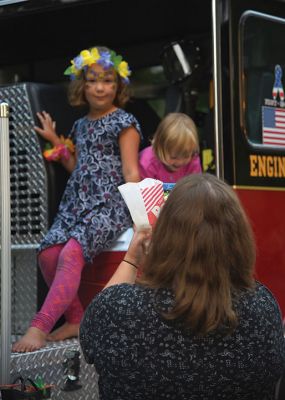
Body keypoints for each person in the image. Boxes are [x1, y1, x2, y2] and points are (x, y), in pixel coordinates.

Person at [80, 173, 285, 400]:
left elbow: (91, 334)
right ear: (239, 239)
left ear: (164, 237)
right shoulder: (264, 307)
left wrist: (131, 259)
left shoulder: (117, 309)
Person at [12, 46, 142, 353]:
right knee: (48, 252)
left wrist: (140, 220)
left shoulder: (124, 121)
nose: (99, 87)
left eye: (108, 80)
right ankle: (76, 319)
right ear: (82, 85)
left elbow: (130, 171)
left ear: (118, 86)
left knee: (72, 253)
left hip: (110, 205)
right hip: (76, 203)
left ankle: (39, 326)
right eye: (93, 79)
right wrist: (57, 143)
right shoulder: (81, 125)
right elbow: (79, 166)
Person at [139, 112, 202, 182]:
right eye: (173, 157)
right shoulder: (148, 164)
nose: (180, 162)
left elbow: (195, 188)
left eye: (186, 156)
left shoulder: (193, 160)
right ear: (159, 147)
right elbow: (145, 191)